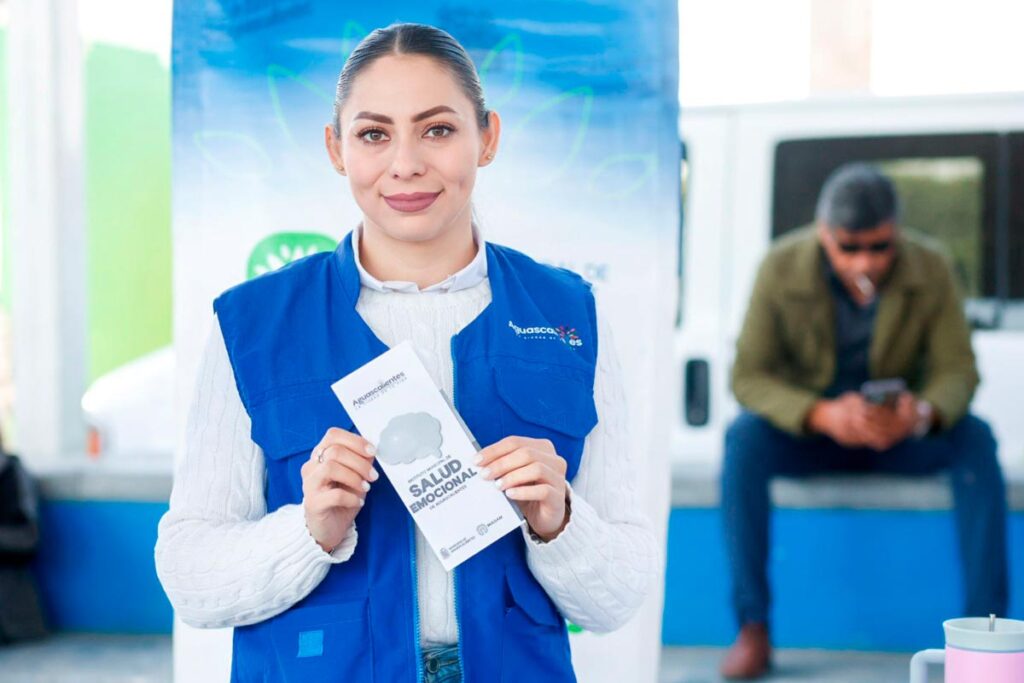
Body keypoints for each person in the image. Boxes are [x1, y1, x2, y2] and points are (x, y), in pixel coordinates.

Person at [155, 23, 656, 683]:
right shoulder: (255, 323)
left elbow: (617, 596)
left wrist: (558, 519)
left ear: (489, 136)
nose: (406, 164)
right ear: (336, 149)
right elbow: (191, 579)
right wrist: (308, 531)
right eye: (373, 133)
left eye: (438, 129)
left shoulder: (568, 313)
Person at [718, 163, 1008, 679]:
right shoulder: (780, 266)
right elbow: (749, 377)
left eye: (879, 246)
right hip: (818, 433)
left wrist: (921, 413)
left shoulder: (933, 266)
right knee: (743, 440)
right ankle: (753, 628)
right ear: (823, 232)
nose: (865, 261)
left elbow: (958, 370)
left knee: (976, 441)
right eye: (849, 247)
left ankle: (988, 639)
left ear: (895, 233)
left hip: (899, 434)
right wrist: (820, 413)